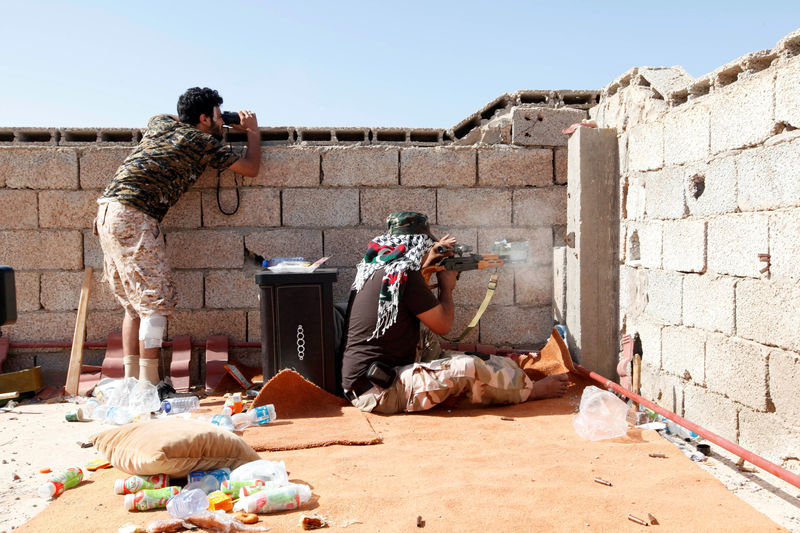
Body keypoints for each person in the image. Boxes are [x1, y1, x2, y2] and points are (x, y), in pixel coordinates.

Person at [95, 87, 261, 385]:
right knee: (154, 303)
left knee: (134, 305)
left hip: (107, 212)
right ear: (202, 118)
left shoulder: (161, 123)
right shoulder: (200, 142)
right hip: (134, 215)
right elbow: (250, 168)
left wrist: (216, 120)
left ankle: (132, 384)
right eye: (217, 115)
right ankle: (149, 386)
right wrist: (251, 131)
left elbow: (173, 115)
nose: (222, 120)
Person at [341, 211, 570, 414]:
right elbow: (443, 325)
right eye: (425, 248)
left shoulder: (379, 271)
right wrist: (446, 288)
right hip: (379, 393)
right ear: (416, 245)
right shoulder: (405, 277)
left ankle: (498, 375)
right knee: (466, 368)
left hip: (368, 379)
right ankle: (530, 391)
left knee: (429, 340)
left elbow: (413, 306)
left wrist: (429, 264)